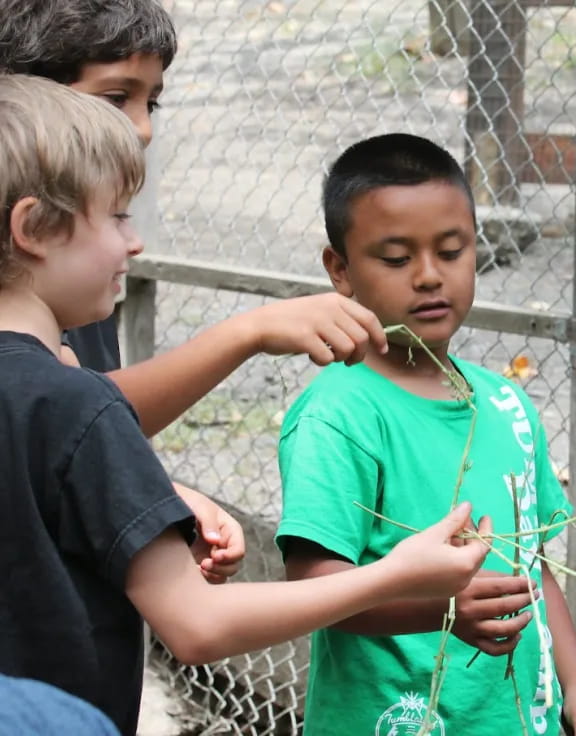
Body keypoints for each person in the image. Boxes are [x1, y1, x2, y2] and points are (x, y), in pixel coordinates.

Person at [0, 73, 492, 736]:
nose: (134, 241)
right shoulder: (81, 408)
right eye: (117, 214)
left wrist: (154, 491)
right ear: (33, 227)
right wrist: (397, 576)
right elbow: (197, 626)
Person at [0, 0, 392, 582]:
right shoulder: (53, 271)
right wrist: (248, 332)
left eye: (152, 101)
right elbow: (75, 415)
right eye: (116, 98)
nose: (143, 128)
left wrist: (157, 490)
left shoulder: (73, 276)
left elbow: (62, 437)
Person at [276, 133, 576, 735]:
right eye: (397, 259)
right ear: (340, 269)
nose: (429, 277)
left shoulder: (508, 404)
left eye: (451, 251)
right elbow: (312, 587)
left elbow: (531, 569)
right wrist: (443, 610)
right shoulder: (339, 416)